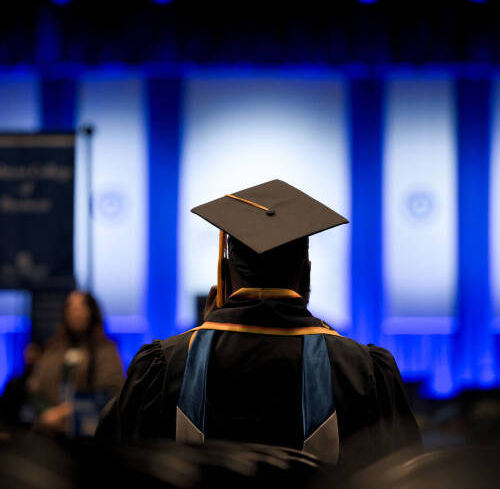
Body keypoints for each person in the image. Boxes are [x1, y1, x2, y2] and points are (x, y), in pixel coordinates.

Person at [96, 179, 421, 469]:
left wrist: (207, 330)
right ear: (305, 274)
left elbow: (111, 466)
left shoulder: (165, 366)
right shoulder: (361, 370)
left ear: (224, 274)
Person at [28, 290, 124, 435]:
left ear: (92, 311)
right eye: (72, 307)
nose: (76, 312)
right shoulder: (53, 348)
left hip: (91, 431)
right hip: (51, 429)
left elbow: (112, 391)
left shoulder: (106, 350)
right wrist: (48, 413)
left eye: (81, 307)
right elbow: (35, 386)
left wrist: (70, 411)